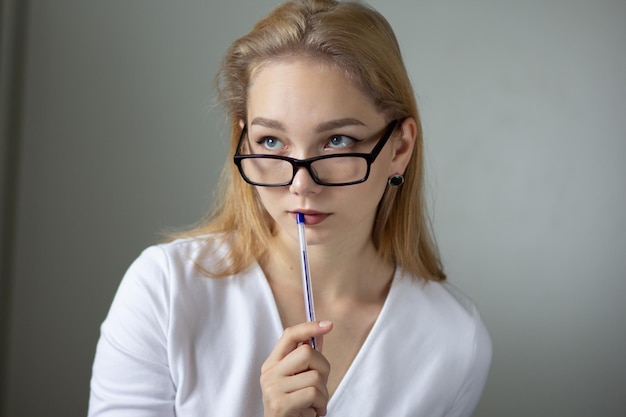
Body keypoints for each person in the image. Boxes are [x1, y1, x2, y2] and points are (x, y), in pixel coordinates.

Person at [88, 0, 492, 416]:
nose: (301, 185)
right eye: (271, 142)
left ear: (399, 148)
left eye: (337, 140)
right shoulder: (165, 292)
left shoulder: (454, 339)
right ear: (242, 141)